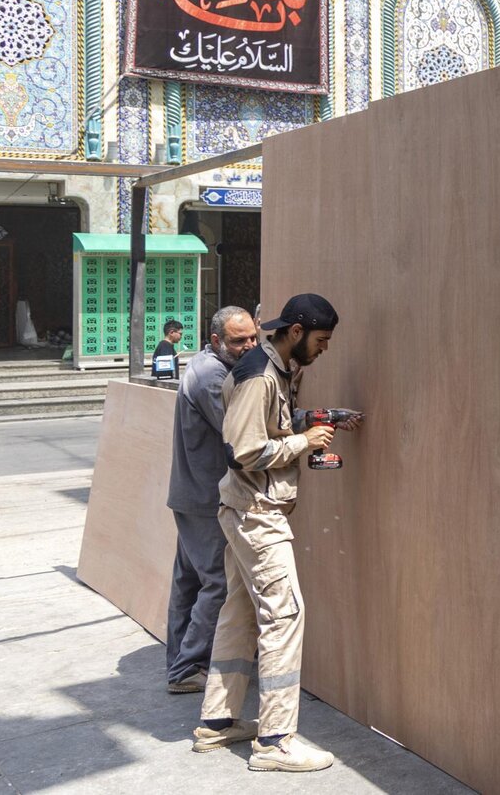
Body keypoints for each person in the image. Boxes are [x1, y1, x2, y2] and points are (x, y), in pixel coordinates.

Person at [193, 293, 362, 772]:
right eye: (322, 340)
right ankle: (275, 741)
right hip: (256, 514)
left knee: (240, 614)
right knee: (284, 616)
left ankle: (218, 724)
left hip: (249, 509)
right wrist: (302, 442)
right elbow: (243, 451)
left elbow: (271, 426)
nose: (325, 349)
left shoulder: (281, 370)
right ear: (295, 332)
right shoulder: (259, 375)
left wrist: (316, 420)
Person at [165, 306, 259, 694]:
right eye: (239, 341)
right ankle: (187, 667)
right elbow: (239, 432)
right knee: (218, 583)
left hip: (191, 494)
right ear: (217, 340)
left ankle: (180, 662)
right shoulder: (211, 376)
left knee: (188, 582)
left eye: (253, 337)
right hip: (205, 499)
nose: (249, 346)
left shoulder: (208, 365)